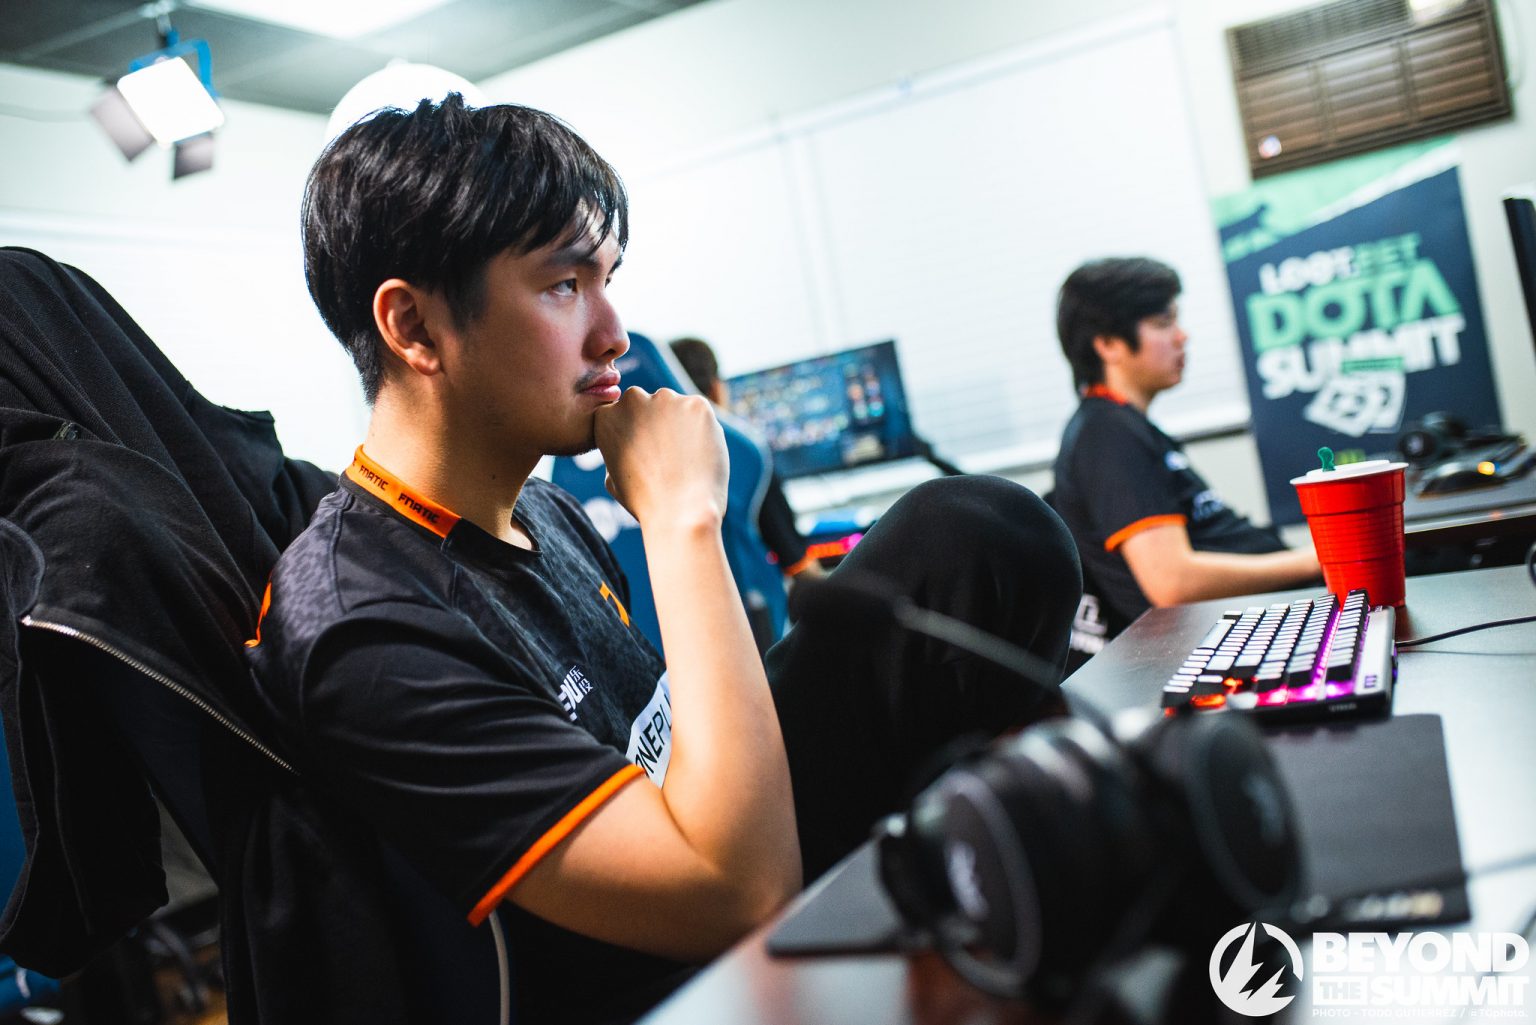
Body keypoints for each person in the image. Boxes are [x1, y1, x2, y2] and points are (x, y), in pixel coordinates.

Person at [246, 94, 1080, 1025]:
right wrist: (684, 517)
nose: (614, 334)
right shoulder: (362, 622)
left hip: (707, 823)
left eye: (606, 279)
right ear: (414, 328)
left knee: (977, 535)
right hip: (665, 974)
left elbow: (675, 740)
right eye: (564, 285)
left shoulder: (547, 511)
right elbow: (737, 891)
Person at [1052, 257, 1319, 628]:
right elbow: (1172, 582)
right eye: (1164, 323)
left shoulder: (1125, 426)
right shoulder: (1106, 434)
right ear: (1109, 344)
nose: (1182, 337)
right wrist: (1316, 559)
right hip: (1234, 628)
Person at [668, 335, 825, 583]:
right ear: (716, 389)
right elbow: (800, 568)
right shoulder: (746, 458)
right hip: (747, 603)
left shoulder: (643, 467)